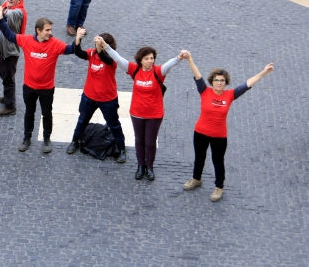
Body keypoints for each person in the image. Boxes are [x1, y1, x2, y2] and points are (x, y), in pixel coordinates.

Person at [182, 54, 274, 202]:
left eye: (222, 81)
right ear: (212, 81)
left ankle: (219, 187)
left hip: (219, 136)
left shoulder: (230, 95)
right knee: (199, 157)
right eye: (216, 80)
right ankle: (196, 179)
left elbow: (248, 84)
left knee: (218, 161)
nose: (219, 83)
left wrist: (263, 72)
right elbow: (197, 74)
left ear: (226, 83)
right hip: (200, 132)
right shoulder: (205, 91)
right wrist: (189, 59)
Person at [101, 41, 186, 181]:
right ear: (140, 60)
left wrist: (179, 57)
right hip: (137, 113)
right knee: (139, 140)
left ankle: (150, 166)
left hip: (154, 114)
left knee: (150, 142)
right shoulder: (134, 70)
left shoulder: (158, 71)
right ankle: (141, 166)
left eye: (152, 58)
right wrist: (105, 45)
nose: (150, 61)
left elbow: (169, 64)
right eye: (146, 58)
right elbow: (117, 58)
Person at [0, 10, 76, 154]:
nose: (50, 33)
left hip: (46, 88)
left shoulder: (55, 44)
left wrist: (78, 40)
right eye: (47, 30)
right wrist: (1, 19)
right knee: (29, 113)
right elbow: (9, 35)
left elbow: (70, 49)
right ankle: (27, 138)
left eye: (50, 30)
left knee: (47, 114)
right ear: (38, 30)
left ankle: (46, 139)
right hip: (29, 87)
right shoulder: (26, 40)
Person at [66, 30, 127, 163]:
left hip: (107, 99)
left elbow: (105, 58)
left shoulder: (113, 59)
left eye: (100, 45)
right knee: (82, 120)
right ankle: (74, 141)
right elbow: (79, 53)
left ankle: (122, 149)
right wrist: (78, 39)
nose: (96, 47)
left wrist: (101, 46)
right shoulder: (92, 53)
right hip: (89, 96)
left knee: (114, 124)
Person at [0, 0, 24, 117]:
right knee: (4, 76)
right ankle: (7, 96)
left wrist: (1, 14)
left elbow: (9, 15)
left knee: (8, 79)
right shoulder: (6, 4)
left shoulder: (17, 12)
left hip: (9, 52)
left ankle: (10, 106)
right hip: (1, 51)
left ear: (19, 0)